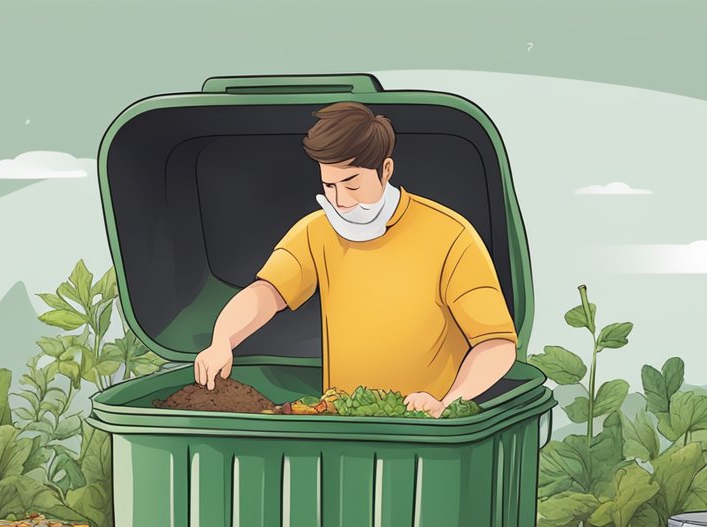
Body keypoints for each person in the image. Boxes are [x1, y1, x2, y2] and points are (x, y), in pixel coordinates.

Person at [193, 101, 517, 418]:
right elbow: (267, 294)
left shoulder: (451, 235)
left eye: (353, 184)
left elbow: (497, 344)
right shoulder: (316, 231)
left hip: (424, 427)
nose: (341, 201)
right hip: (342, 421)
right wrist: (222, 340)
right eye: (329, 185)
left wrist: (447, 402)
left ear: (385, 170)